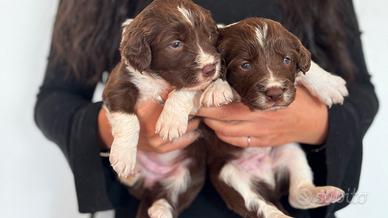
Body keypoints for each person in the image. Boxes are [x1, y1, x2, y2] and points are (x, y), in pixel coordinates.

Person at [34, 0, 378, 217]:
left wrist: (313, 122)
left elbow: (361, 92)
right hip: (160, 190)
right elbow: (54, 99)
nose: (206, 59)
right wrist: (122, 131)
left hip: (282, 191)